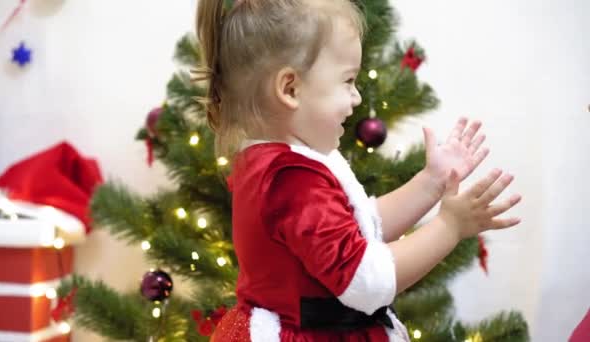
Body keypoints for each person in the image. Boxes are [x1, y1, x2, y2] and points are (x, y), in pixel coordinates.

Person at [193, 1, 522, 341]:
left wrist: (431, 182)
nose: (356, 97)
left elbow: (361, 225)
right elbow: (367, 281)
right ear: (290, 89)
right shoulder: (290, 178)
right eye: (348, 81)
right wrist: (449, 227)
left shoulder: (289, 160)